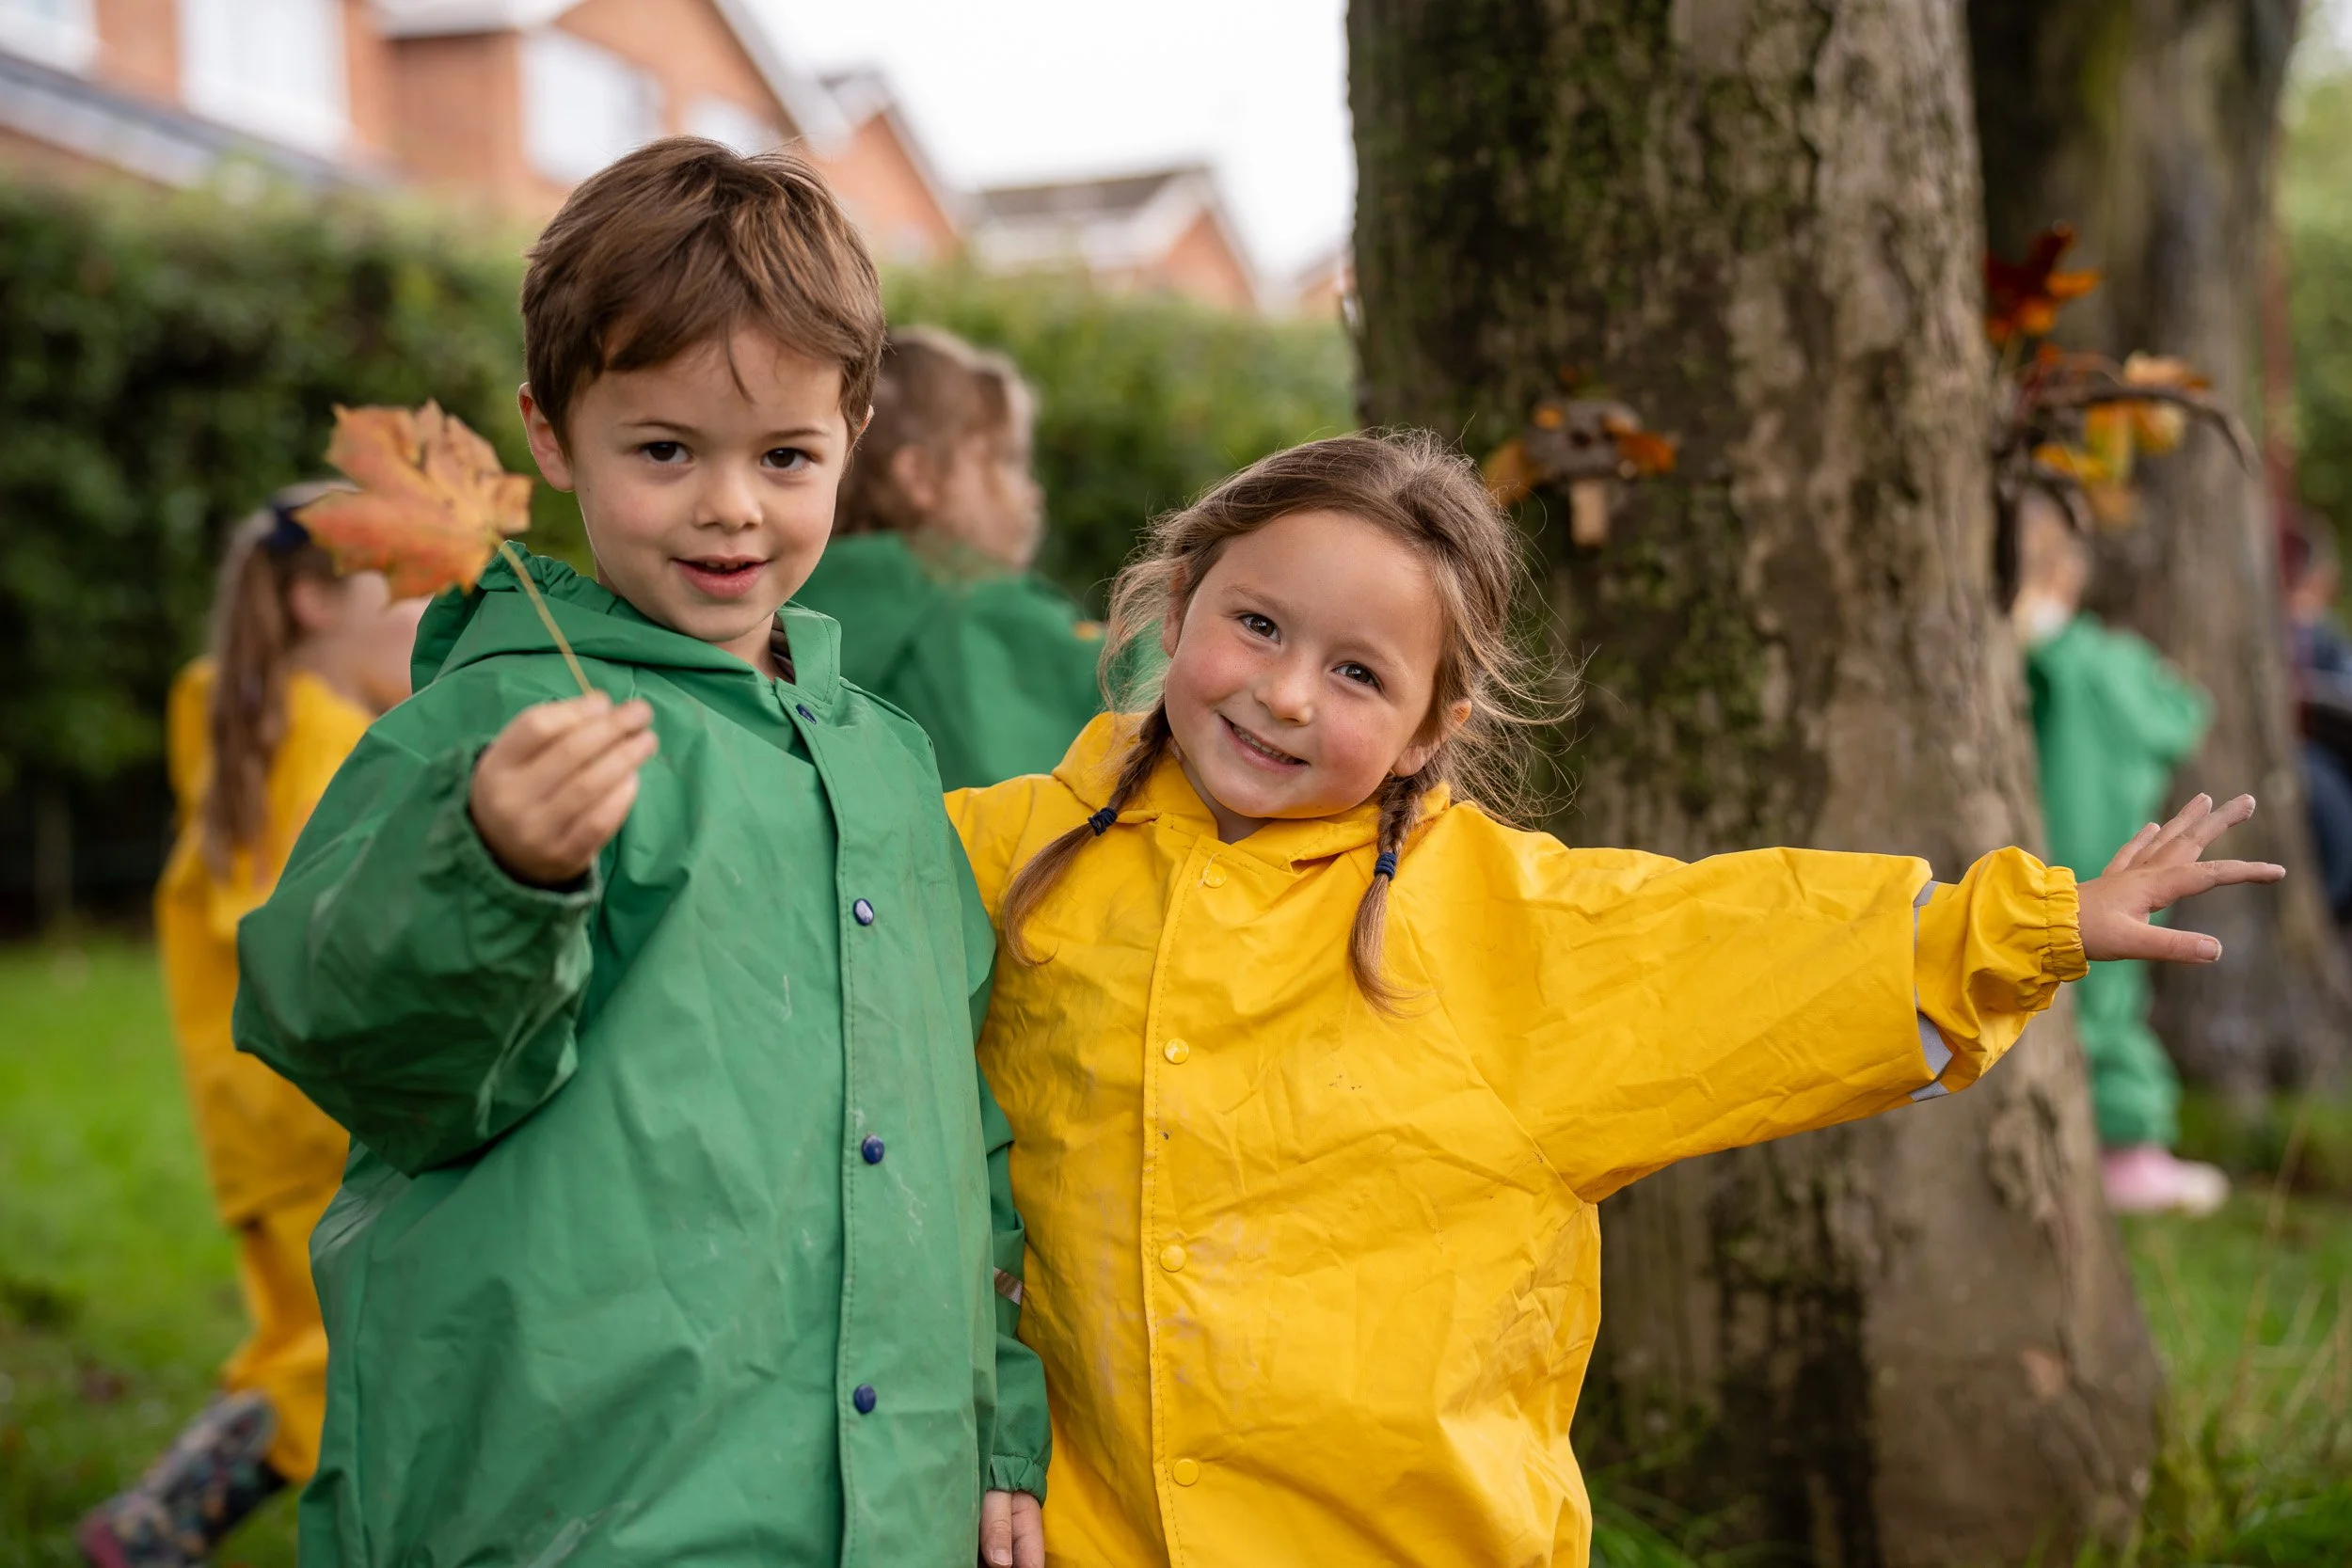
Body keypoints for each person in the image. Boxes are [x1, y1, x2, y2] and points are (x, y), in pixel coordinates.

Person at [941, 431, 2280, 1566]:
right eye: (1258, 625)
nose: (1286, 692)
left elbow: (1746, 954)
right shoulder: (1006, 854)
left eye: (1358, 671)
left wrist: (2030, 925)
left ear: (1429, 727)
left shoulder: (1506, 928)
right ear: (1179, 610)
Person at [230, 139, 1047, 1568]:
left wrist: (994, 1431)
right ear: (553, 436)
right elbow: (354, 1034)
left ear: (853, 431)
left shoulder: (889, 757)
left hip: (879, 1498)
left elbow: (959, 1109)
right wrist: (493, 866)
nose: (729, 506)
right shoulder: (496, 724)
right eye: (665, 449)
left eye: (784, 456)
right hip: (574, 1495)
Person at [76, 497, 426, 1568]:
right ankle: (155, 1527)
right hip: (324, 1115)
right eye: (397, 588)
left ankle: (153, 1525)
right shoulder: (334, 749)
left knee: (305, 1342)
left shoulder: (234, 711)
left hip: (254, 1122)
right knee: (349, 1356)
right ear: (314, 599)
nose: (422, 615)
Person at [2011, 492, 2232, 1214]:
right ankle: (2130, 1148)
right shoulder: (2124, 665)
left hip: (2083, 863)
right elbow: (2182, 713)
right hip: (2123, 859)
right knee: (2109, 1005)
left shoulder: (2066, 670)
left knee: (2095, 1011)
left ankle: (2132, 1149)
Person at [792, 325, 1104, 787]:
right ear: (919, 477)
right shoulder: (974, 600)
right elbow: (1131, 679)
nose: (1032, 492)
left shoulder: (789, 601)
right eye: (1009, 460)